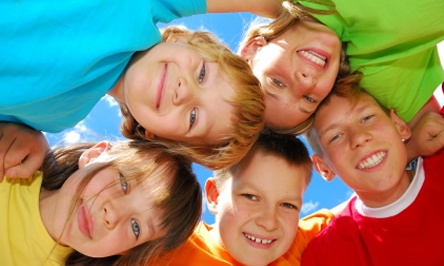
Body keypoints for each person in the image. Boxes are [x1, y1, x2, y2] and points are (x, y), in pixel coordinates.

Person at [0, 24, 266, 179]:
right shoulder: (127, 14)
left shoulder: (58, 116)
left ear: (155, 136)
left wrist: (22, 131)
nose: (184, 92)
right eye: (202, 73)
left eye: (193, 117)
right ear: (186, 41)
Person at [239, 0, 443, 133]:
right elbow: (430, 130)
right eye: (309, 99)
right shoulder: (371, 65)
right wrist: (413, 147)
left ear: (254, 48)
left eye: (276, 82)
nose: (306, 82)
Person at [301, 85, 444, 265]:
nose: (359, 138)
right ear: (324, 168)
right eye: (336, 136)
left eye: (367, 118)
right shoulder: (328, 255)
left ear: (399, 125)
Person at [147, 131, 337, 265]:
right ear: (215, 196)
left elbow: (360, 206)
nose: (268, 222)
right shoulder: (163, 253)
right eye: (251, 197)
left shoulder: (304, 242)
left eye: (288, 205)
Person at [0, 140, 202, 265]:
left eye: (135, 227)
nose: (113, 215)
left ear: (125, 251)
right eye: (123, 182)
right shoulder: (7, 165)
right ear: (94, 155)